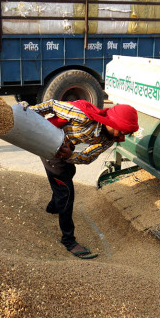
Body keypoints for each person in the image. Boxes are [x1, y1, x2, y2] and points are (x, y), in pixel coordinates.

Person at [27, 99, 139, 259]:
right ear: (111, 122)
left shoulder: (108, 139)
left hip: (64, 148)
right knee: (65, 191)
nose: (122, 136)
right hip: (47, 142)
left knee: (68, 171)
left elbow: (87, 156)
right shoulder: (82, 115)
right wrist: (29, 112)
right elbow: (51, 104)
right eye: (121, 131)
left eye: (125, 133)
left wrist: (71, 155)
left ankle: (52, 207)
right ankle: (69, 241)